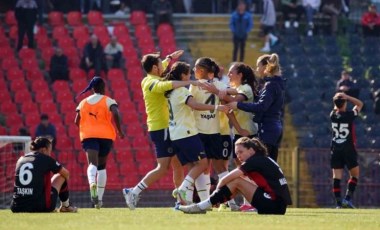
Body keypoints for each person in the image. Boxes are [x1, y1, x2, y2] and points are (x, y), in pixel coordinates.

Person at [122, 50, 204, 210]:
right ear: (154, 68)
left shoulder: (154, 74)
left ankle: (181, 200)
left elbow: (164, 68)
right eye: (160, 65)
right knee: (163, 167)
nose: (164, 67)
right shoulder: (149, 82)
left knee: (177, 164)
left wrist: (169, 58)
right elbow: (166, 85)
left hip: (166, 128)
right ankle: (133, 191)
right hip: (161, 129)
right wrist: (192, 82)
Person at [164, 61, 229, 206]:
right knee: (206, 165)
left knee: (199, 166)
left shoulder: (179, 89)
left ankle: (191, 199)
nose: (192, 74)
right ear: (183, 75)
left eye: (194, 70)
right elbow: (195, 105)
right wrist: (217, 104)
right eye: (189, 72)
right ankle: (188, 193)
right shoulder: (188, 89)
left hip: (188, 132)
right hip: (195, 132)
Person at [177, 137, 292, 214]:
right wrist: (221, 198)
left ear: (251, 150)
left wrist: (217, 192)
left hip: (274, 204)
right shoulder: (262, 159)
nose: (238, 156)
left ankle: (202, 206)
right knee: (238, 182)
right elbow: (236, 188)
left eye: (241, 152)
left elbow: (227, 179)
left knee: (237, 181)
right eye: (236, 153)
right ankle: (206, 205)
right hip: (278, 205)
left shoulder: (254, 161)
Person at [75, 76, 125, 208]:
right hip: (106, 136)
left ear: (92, 89)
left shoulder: (83, 102)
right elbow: (116, 112)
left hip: (89, 135)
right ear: (103, 87)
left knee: (92, 163)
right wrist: (120, 131)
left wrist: (86, 127)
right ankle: (100, 201)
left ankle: (92, 183)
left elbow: (76, 121)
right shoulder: (108, 100)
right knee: (102, 167)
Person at [225, 54, 286, 162]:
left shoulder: (270, 85)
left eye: (258, 66)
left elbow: (262, 106)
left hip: (267, 129)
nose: (257, 69)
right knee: (271, 164)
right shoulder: (277, 83)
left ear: (266, 67)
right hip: (274, 126)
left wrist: (238, 105)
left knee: (263, 164)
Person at [10, 137, 78, 213]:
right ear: (43, 150)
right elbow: (66, 174)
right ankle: (66, 206)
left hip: (16, 206)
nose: (50, 154)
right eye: (49, 151)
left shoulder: (21, 159)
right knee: (61, 176)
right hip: (39, 207)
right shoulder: (46, 159)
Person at [330, 92, 363, 208]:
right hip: (348, 149)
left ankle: (339, 204)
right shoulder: (349, 115)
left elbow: (337, 106)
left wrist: (339, 98)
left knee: (336, 177)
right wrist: (347, 97)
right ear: (344, 103)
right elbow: (360, 104)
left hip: (335, 149)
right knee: (354, 175)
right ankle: (347, 199)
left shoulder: (332, 115)